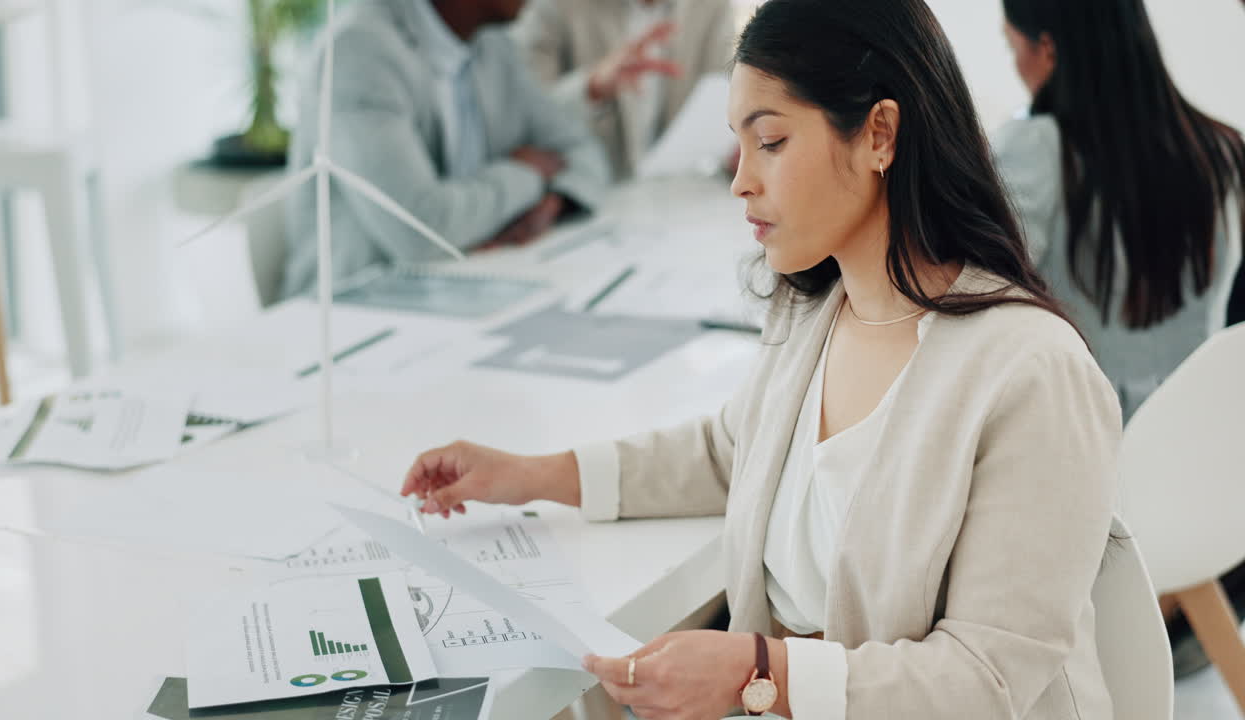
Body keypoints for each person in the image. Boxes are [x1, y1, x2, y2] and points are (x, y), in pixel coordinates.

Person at [400, 0, 1123, 717]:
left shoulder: (1031, 373)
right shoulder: (814, 311)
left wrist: (760, 673)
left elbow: (987, 677)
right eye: (738, 147)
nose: (741, 179)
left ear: (879, 134)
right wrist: (530, 475)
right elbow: (732, 451)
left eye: (770, 141)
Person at [996, 0, 1245, 423]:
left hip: (1084, 423)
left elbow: (991, 288)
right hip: (1205, 421)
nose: (1016, 65)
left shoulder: (1037, 149)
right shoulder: (1223, 149)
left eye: (1013, 47)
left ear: (1048, 49)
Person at [282, 0, 610, 296]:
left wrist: (554, 202)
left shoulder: (493, 45)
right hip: (359, 313)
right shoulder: (359, 49)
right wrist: (528, 175)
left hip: (473, 285)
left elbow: (582, 151)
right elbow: (420, 234)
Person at [510, 0, 736, 179]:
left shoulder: (713, 6)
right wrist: (591, 87)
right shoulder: (550, 7)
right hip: (587, 194)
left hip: (677, 191)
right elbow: (523, 119)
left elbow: (722, 93)